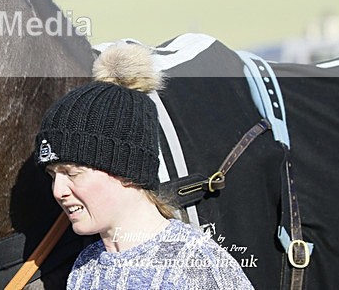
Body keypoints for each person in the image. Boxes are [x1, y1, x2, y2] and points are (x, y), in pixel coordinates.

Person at [35, 42, 254, 290]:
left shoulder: (196, 267)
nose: (58, 190)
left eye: (72, 173)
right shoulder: (86, 267)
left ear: (126, 171)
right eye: (53, 175)